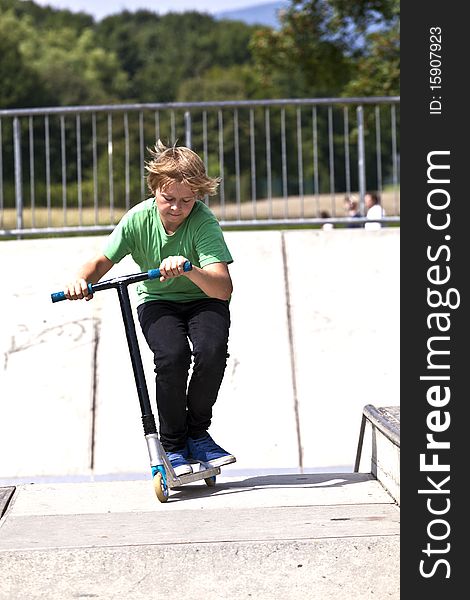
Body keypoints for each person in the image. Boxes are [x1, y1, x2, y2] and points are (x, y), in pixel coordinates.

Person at [62, 140, 236, 476]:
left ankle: (197, 434)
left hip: (203, 299)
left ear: (198, 196)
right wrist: (80, 280)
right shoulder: (137, 220)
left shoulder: (203, 221)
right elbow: (101, 261)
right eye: (168, 198)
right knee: (171, 357)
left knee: (212, 351)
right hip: (157, 301)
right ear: (154, 188)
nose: (176, 208)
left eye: (186, 201)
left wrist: (189, 268)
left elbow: (223, 288)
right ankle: (173, 446)